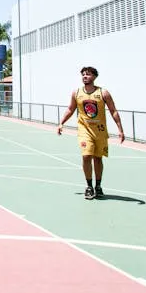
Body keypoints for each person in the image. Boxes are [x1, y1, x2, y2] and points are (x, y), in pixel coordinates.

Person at [56, 66, 125, 200]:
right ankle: (89, 186)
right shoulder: (76, 93)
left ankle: (98, 186)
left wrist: (120, 130)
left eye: (88, 74)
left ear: (94, 77)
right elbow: (70, 109)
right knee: (86, 156)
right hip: (84, 130)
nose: (85, 76)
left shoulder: (103, 93)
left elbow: (113, 111)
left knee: (98, 159)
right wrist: (61, 123)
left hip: (99, 131)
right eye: (83, 75)